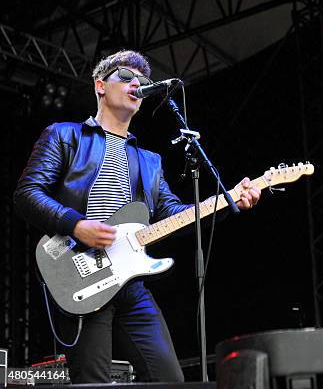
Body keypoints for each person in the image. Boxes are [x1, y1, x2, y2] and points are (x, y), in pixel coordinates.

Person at [13, 50, 261, 383]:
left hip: (132, 283)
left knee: (169, 380)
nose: (137, 85)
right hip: (80, 273)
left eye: (142, 82)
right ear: (100, 86)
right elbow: (27, 194)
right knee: (93, 382)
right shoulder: (64, 135)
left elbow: (173, 214)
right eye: (126, 77)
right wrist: (76, 224)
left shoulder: (150, 161)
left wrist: (227, 200)